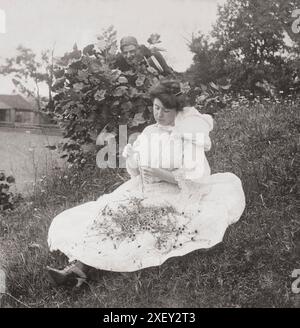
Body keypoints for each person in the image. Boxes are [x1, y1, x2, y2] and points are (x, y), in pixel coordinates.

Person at [46, 80, 245, 286]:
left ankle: (79, 269)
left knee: (142, 232)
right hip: (145, 188)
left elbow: (195, 180)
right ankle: (78, 267)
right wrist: (134, 159)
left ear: (177, 111)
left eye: (166, 111)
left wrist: (161, 174)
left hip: (176, 194)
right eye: (156, 107)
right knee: (109, 213)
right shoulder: (150, 132)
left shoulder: (188, 136)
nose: (159, 114)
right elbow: (136, 170)